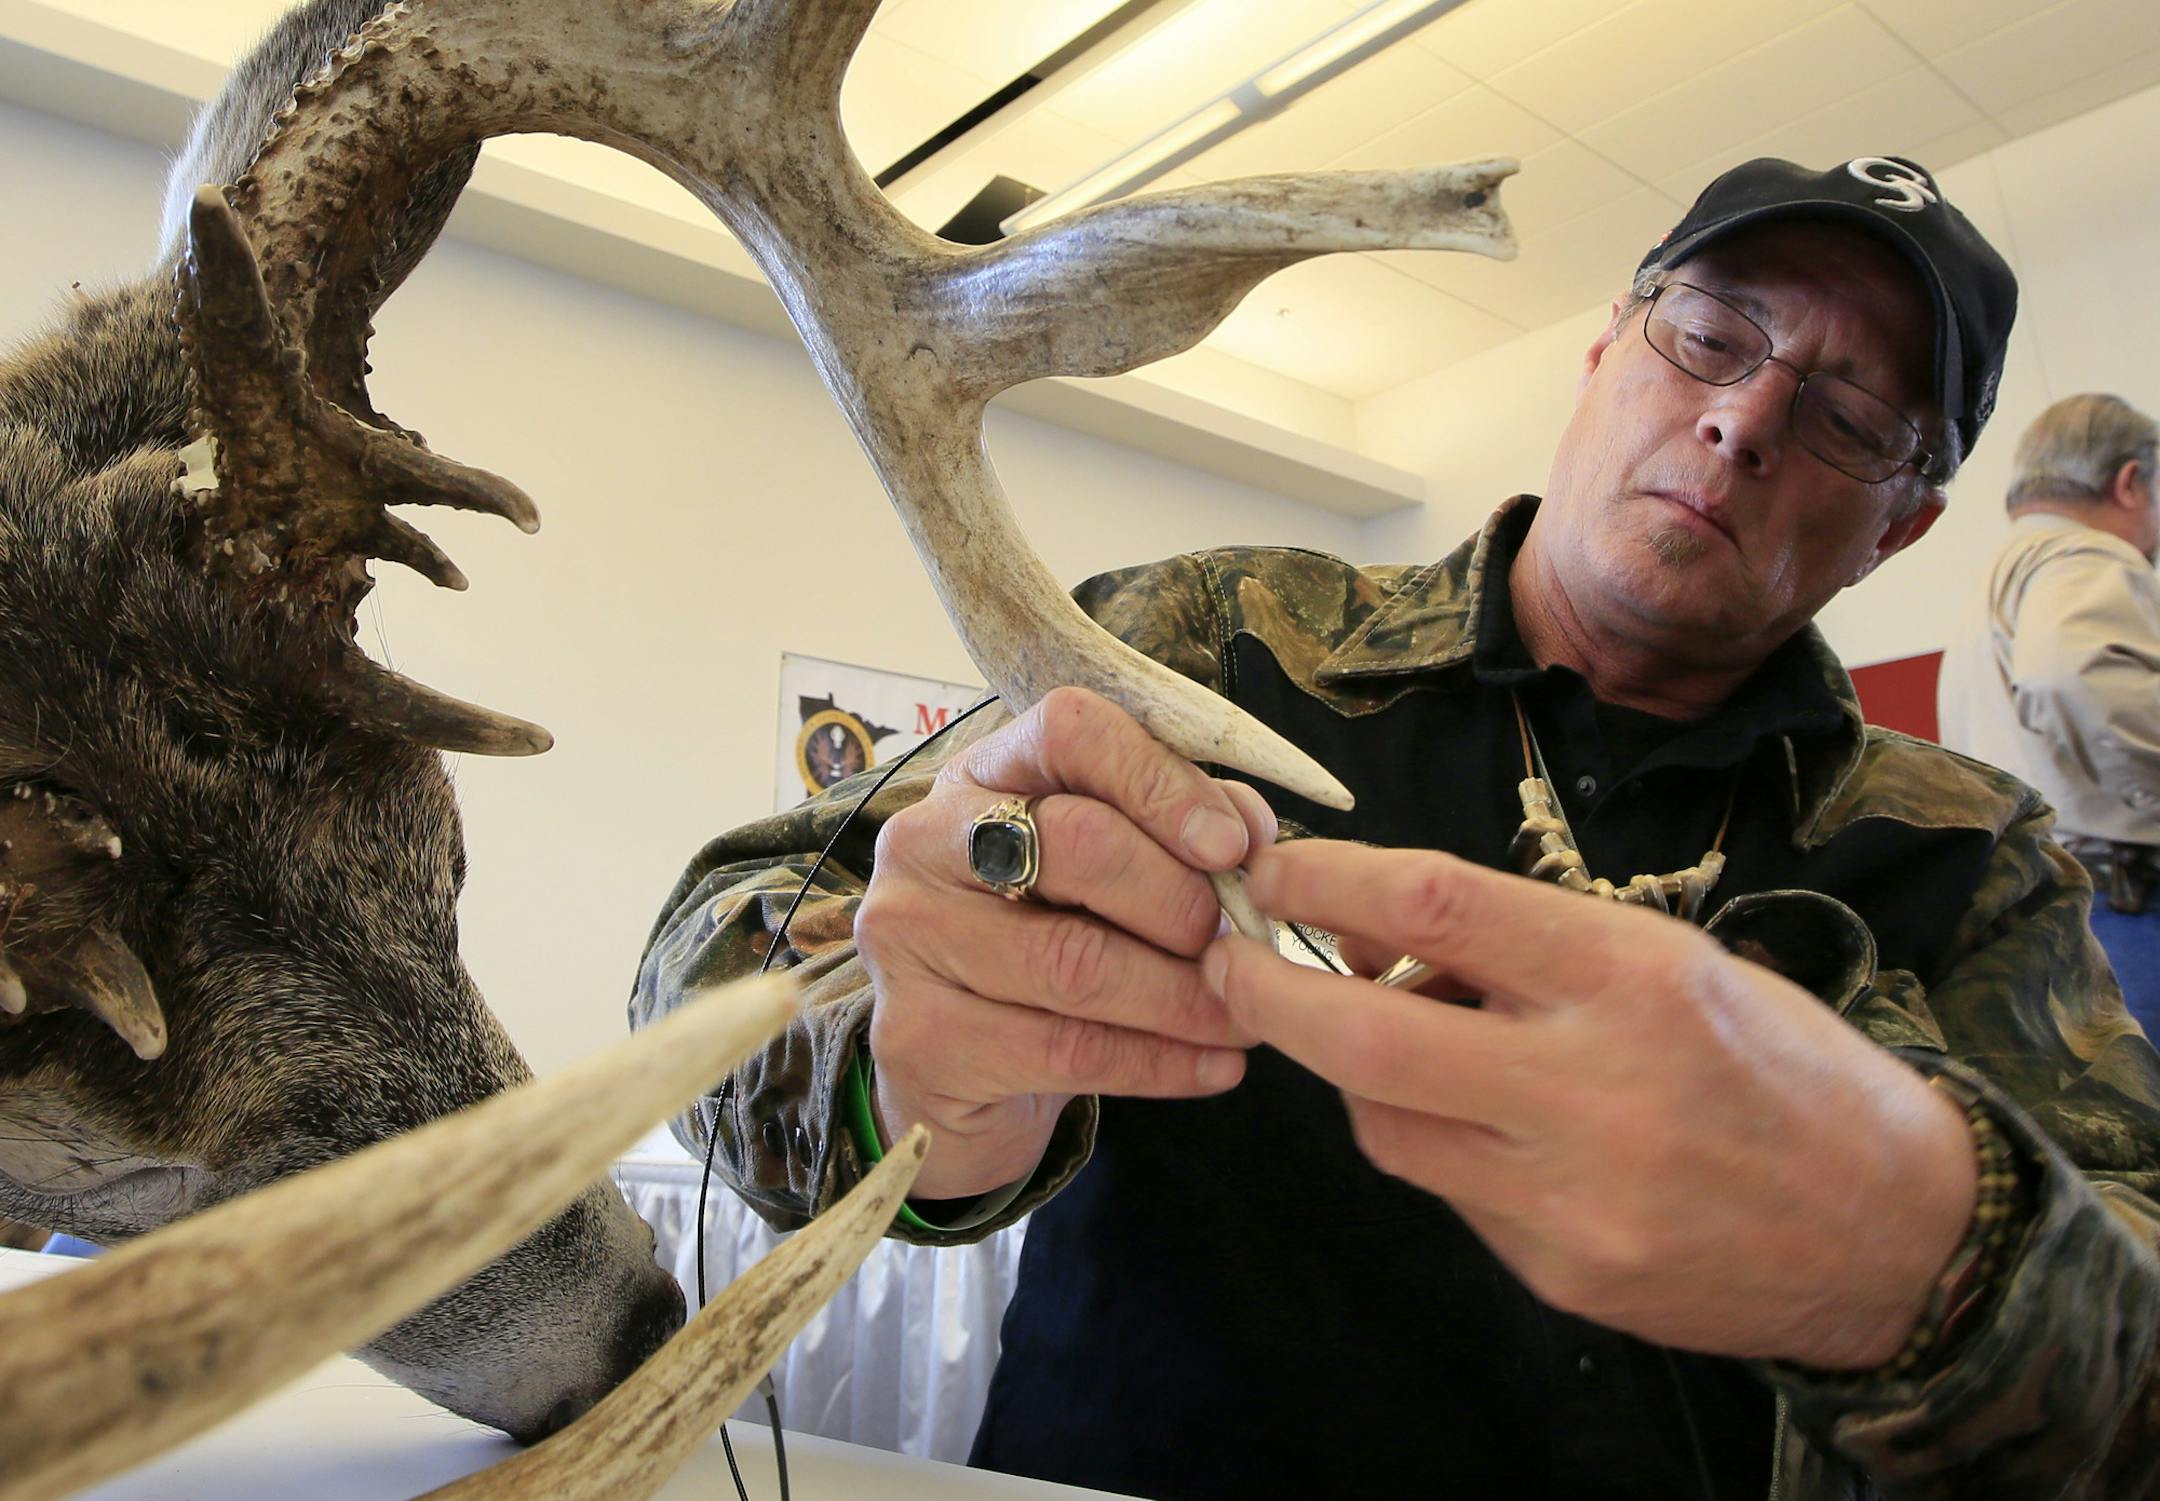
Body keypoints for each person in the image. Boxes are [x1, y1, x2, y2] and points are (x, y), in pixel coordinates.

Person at [633, 157, 2160, 1499]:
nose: (1742, 418)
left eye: (1846, 416)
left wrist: (1939, 1260)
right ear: (1602, 353)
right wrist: (897, 1064)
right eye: (1709, 335)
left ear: (1904, 525)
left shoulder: (1971, 855)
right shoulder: (1201, 648)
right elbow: (708, 961)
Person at [1938, 393, 2160, 1035]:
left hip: (2048, 913)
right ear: (2129, 482)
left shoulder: (1998, 579)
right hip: (2125, 902)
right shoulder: (2088, 556)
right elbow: (2069, 674)